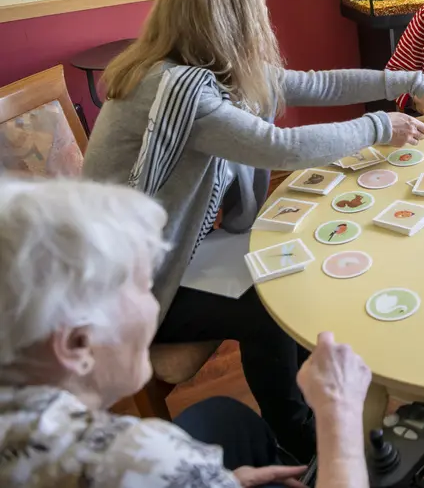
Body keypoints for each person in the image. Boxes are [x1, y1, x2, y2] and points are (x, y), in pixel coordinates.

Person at [82, 0, 424, 463]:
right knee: (270, 306)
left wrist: (413, 81)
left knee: (294, 271)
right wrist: (378, 127)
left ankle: (316, 401)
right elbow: (278, 146)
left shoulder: (202, 71)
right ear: (228, 28)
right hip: (124, 284)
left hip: (168, 247)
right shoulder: (177, 93)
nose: (265, 29)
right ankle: (297, 434)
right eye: (257, 18)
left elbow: (319, 85)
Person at [0, 177, 372, 488]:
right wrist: (339, 416)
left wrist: (214, 482)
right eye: (144, 288)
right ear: (77, 344)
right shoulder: (137, 458)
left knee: (227, 418)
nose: (152, 303)